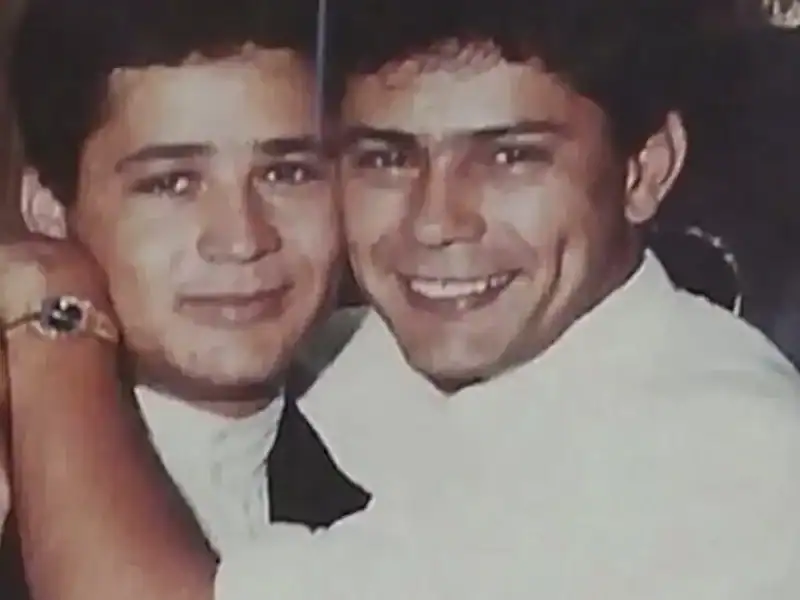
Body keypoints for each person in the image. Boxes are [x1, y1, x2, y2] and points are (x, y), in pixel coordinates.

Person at [4, 0, 800, 598]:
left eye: (511, 157)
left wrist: (54, 319)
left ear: (645, 170)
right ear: (47, 210)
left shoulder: (711, 453)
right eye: (387, 159)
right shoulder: (376, 378)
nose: (435, 222)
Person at [0, 0, 372, 576]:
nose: (242, 239)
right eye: (171, 183)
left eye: (287, 173)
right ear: (49, 213)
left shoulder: (401, 467)